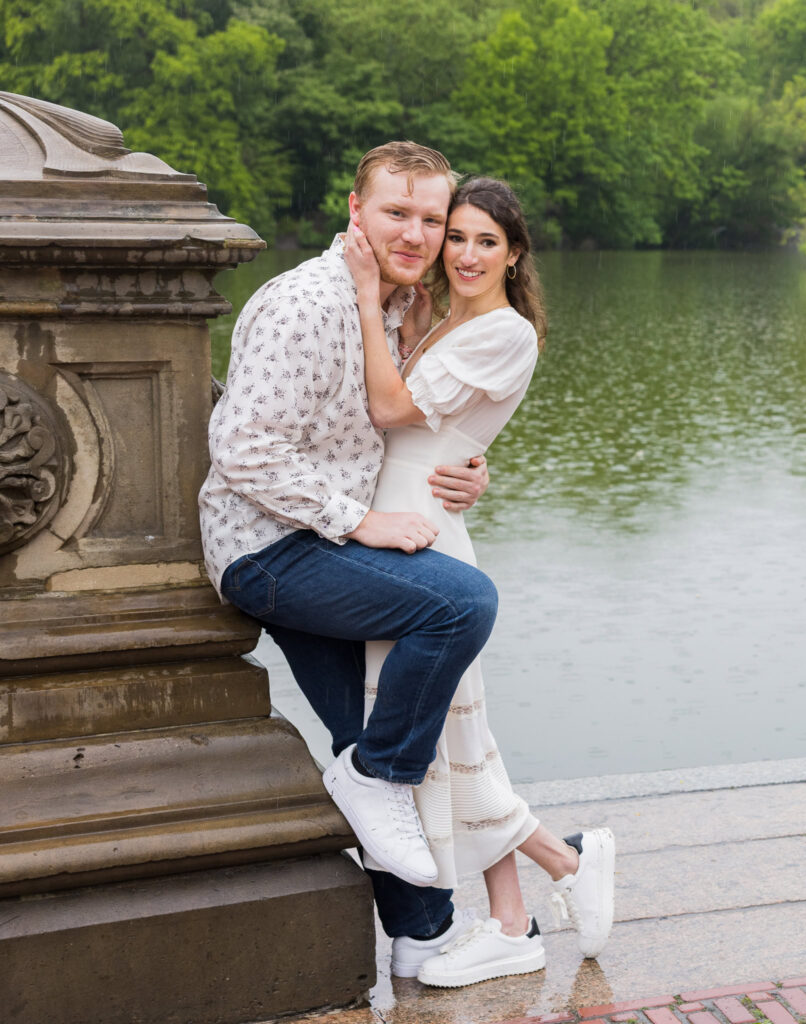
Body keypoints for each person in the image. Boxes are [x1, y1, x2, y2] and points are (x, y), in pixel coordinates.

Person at [199, 142, 501, 972]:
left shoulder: (402, 307)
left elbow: (409, 423)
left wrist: (469, 467)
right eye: (395, 213)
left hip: (321, 540)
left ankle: (421, 935)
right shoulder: (304, 303)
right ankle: (379, 777)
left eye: (431, 220)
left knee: (360, 731)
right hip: (267, 546)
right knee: (461, 602)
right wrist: (357, 520)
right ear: (354, 210)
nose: (414, 233)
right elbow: (242, 451)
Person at [343, 176, 615, 988]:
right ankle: (517, 912)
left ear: (514, 252)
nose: (463, 253)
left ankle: (563, 869)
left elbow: (392, 413)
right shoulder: (443, 316)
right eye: (454, 235)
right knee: (454, 737)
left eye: (483, 241)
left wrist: (364, 298)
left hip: (423, 543)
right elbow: (441, 431)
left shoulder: (505, 332)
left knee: (444, 737)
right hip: (401, 527)